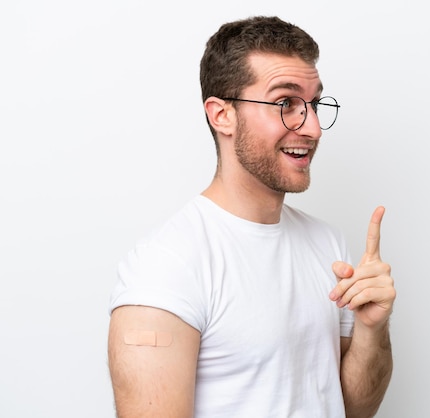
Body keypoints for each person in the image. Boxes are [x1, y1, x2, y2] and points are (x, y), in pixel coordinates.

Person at [107, 15, 396, 418]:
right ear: (221, 115)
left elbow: (350, 409)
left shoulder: (329, 246)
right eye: (286, 103)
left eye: (313, 104)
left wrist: (372, 330)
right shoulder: (166, 265)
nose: (312, 127)